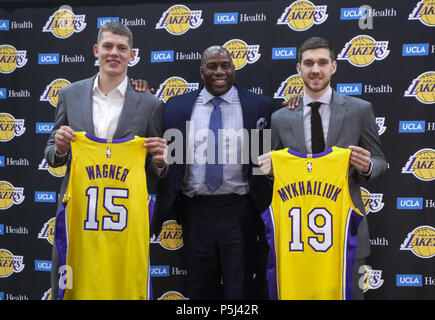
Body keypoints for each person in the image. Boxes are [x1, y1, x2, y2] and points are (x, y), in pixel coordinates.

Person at [258, 36, 388, 299]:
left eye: (322, 62)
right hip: (297, 237)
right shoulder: (281, 117)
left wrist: (367, 167)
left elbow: (381, 162)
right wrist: (271, 172)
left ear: (333, 67)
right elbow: (276, 172)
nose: (315, 69)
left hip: (343, 232)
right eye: (308, 63)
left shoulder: (360, 110)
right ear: (299, 69)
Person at [44, 21, 167, 299]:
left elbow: (157, 170)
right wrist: (61, 148)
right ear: (96, 50)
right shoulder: (69, 94)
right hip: (78, 215)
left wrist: (160, 160)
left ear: (132, 55)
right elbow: (52, 155)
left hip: (124, 221)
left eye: (122, 48)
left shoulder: (151, 104)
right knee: (71, 287)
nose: (115, 53)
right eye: (108, 46)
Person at [152, 45, 274, 300]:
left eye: (225, 65)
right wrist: (139, 88)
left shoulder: (259, 107)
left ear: (234, 69)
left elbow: (285, 127)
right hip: (195, 212)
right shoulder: (176, 107)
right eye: (212, 66)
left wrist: (295, 100)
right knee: (198, 288)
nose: (219, 71)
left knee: (240, 289)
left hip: (240, 211)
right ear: (201, 71)